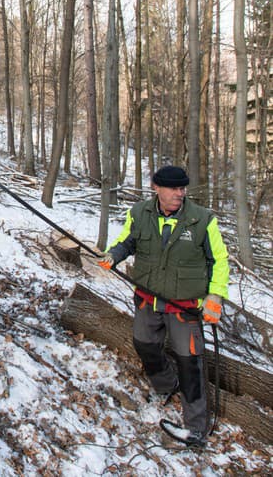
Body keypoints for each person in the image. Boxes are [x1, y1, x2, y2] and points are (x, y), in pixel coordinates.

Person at [99, 165, 230, 447]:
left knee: (190, 362)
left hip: (185, 307)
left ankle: (195, 427)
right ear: (156, 188)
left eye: (182, 189)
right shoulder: (139, 213)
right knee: (143, 343)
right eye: (174, 189)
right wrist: (113, 255)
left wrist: (215, 296)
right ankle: (166, 385)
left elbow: (219, 261)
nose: (179, 194)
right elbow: (127, 241)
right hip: (148, 299)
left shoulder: (202, 220)